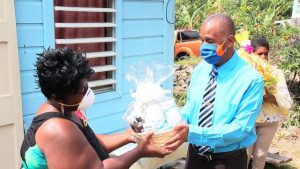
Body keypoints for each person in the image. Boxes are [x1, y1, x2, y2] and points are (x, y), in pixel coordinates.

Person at [20, 48, 171, 169]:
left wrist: (130, 136)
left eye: (87, 86)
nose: (87, 93)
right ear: (57, 96)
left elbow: (88, 142)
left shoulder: (61, 109)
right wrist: (140, 151)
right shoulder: (57, 130)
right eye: (82, 91)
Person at [165, 13, 264, 169]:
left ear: (230, 41)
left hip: (226, 161)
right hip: (194, 157)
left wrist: (192, 133)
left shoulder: (251, 80)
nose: (203, 46)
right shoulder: (201, 70)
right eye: (202, 40)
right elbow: (191, 108)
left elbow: (240, 129)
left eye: (210, 41)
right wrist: (169, 123)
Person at [247, 37, 292, 169]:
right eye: (259, 53)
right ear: (252, 54)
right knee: (244, 154)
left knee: (260, 156)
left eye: (266, 53)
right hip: (249, 120)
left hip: (269, 122)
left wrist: (267, 95)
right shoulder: (246, 72)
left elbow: (283, 98)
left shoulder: (275, 73)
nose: (263, 56)